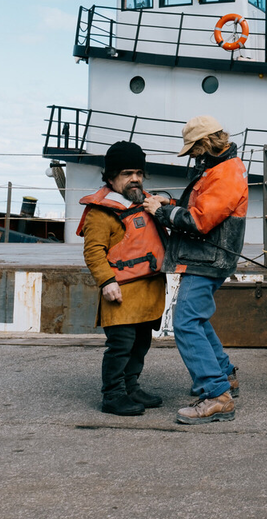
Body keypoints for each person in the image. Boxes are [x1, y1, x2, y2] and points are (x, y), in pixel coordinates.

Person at [144, 115, 246, 425]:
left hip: (206, 259)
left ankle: (216, 395)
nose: (192, 156)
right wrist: (171, 201)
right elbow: (202, 209)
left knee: (186, 322)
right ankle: (224, 376)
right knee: (196, 319)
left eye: (193, 150)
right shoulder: (221, 169)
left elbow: (199, 222)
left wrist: (161, 210)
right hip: (209, 257)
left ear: (204, 145)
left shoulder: (224, 173)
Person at [78, 140, 167, 416]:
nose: (135, 179)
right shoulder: (100, 213)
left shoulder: (147, 204)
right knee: (120, 346)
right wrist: (107, 282)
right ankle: (113, 395)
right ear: (111, 177)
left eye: (138, 173)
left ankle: (131, 387)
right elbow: (93, 252)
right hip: (121, 293)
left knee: (141, 343)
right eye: (128, 174)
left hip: (148, 291)